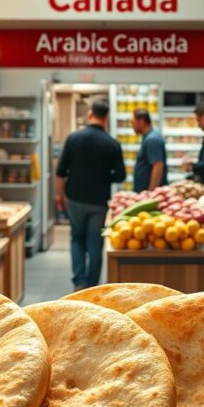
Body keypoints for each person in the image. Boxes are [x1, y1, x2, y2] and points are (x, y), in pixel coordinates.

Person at [55, 99, 126, 290]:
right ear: (106, 118)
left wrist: (59, 195)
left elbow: (60, 172)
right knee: (95, 243)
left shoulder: (73, 138)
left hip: (75, 199)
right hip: (98, 202)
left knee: (77, 238)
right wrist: (104, 175)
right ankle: (92, 285)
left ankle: (79, 282)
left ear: (90, 114)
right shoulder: (112, 144)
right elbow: (120, 176)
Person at [131, 108, 166, 193]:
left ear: (141, 121)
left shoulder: (152, 140)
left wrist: (151, 193)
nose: (132, 126)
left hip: (148, 195)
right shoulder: (148, 138)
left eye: (133, 122)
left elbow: (157, 166)